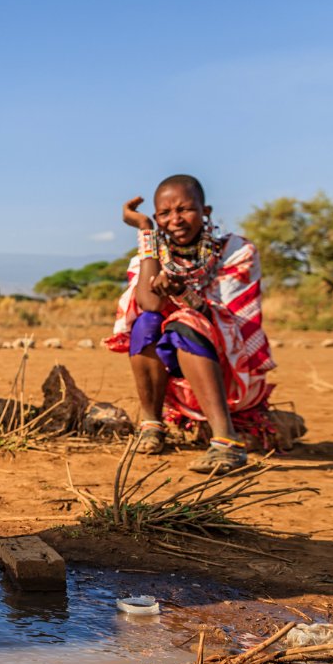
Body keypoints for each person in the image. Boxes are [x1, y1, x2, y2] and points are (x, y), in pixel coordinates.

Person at [106, 174, 277, 475]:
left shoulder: (236, 251)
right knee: (145, 323)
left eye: (185, 209)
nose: (176, 219)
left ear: (206, 211)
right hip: (177, 378)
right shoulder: (150, 256)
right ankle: (152, 424)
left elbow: (230, 323)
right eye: (164, 214)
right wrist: (146, 232)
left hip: (229, 372)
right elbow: (150, 304)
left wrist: (182, 294)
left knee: (184, 322)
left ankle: (226, 442)